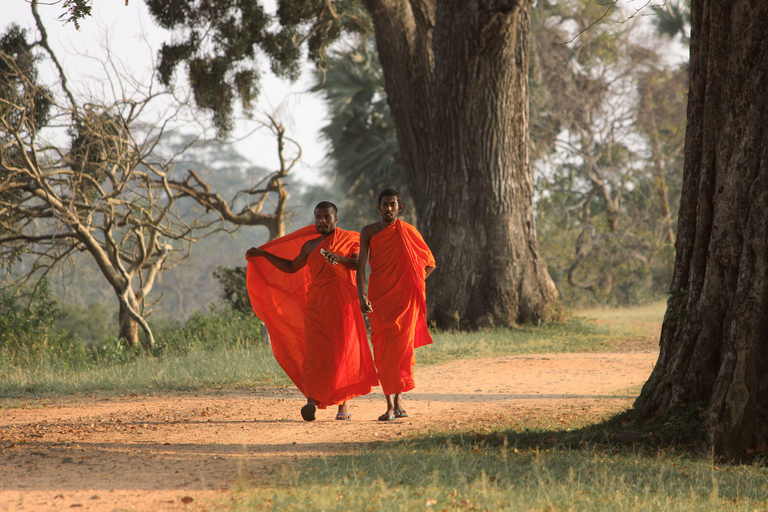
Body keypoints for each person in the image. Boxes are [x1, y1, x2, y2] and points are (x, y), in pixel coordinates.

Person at [246, 202, 377, 421]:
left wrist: (339, 259)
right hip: (316, 306)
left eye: (326, 217)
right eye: (318, 217)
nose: (322, 222)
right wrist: (263, 254)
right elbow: (291, 267)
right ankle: (311, 400)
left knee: (342, 352)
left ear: (336, 219)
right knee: (315, 354)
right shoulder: (310, 246)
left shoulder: (349, 239)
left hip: (343, 305)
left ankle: (343, 406)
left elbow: (358, 265)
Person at [357, 189, 436, 421]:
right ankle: (389, 404)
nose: (389, 208)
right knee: (382, 349)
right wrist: (361, 296)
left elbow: (429, 263)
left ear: (399, 208)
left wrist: (413, 284)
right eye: (385, 204)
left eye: (393, 204)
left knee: (401, 350)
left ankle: (398, 403)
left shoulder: (409, 231)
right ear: (378, 207)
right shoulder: (369, 232)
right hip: (379, 299)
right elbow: (361, 266)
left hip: (404, 302)